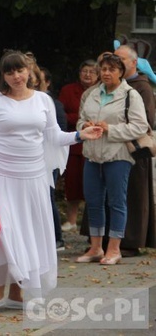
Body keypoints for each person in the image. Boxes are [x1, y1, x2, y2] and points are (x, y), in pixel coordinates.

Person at [0, 51, 102, 313]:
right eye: (10, 72)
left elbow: (54, 136)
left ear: (29, 72)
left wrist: (79, 135)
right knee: (3, 231)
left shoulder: (43, 101)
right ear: (3, 76)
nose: (16, 76)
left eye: (20, 70)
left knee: (28, 232)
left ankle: (19, 293)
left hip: (33, 176)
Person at [76, 52, 149, 265]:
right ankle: (96, 247)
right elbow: (81, 119)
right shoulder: (92, 93)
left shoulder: (130, 95)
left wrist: (110, 129)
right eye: (104, 69)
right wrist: (85, 126)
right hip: (92, 154)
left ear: (121, 73)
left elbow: (140, 127)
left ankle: (114, 249)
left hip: (118, 155)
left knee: (117, 202)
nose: (106, 73)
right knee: (94, 202)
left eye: (112, 69)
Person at [114, 44, 156, 256]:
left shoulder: (142, 87)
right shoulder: (112, 84)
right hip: (111, 149)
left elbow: (146, 121)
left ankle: (131, 240)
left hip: (133, 150)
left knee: (133, 195)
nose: (117, 62)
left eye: (121, 59)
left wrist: (114, 128)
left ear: (133, 63)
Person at [58, 59, 99, 232]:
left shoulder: (100, 92)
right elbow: (60, 115)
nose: (88, 75)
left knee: (94, 185)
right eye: (84, 71)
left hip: (97, 143)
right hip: (75, 144)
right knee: (73, 184)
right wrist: (79, 120)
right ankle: (72, 219)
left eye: (91, 71)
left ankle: (91, 223)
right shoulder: (68, 90)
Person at [38, 66, 68, 252]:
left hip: (49, 158)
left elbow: (60, 134)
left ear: (47, 82)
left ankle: (57, 238)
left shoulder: (52, 104)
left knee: (47, 198)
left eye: (38, 79)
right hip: (32, 159)